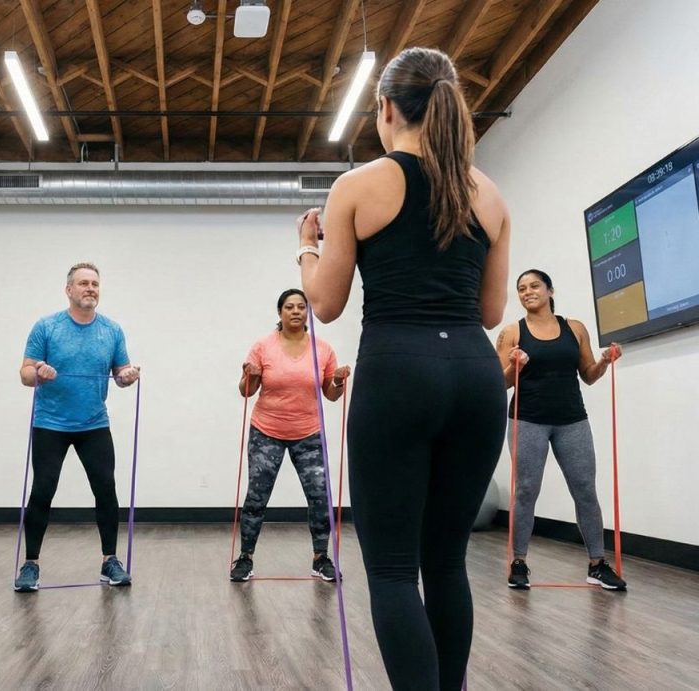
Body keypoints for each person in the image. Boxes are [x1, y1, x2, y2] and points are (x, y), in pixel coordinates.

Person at [296, 47, 511, 690]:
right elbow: (492, 309)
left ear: (387, 108)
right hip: (474, 374)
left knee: (392, 570)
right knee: (446, 564)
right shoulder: (489, 193)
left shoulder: (359, 186)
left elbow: (326, 305)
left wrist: (306, 248)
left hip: (397, 371)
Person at [496, 269, 626, 591]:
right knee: (526, 491)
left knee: (585, 491)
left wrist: (604, 361)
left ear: (550, 290)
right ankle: (519, 563)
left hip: (572, 420)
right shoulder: (512, 332)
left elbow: (588, 375)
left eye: (534, 286)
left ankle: (597, 565)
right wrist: (515, 365)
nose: (528, 292)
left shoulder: (575, 328)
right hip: (527, 419)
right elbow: (498, 382)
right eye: (522, 288)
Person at [14, 262, 140, 592]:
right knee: (43, 490)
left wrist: (127, 376)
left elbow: (121, 372)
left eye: (95, 284)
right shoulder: (47, 327)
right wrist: (38, 370)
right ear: (69, 290)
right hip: (50, 423)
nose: (90, 289)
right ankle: (30, 564)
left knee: (106, 491)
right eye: (83, 283)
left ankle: (110, 561)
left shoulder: (112, 331)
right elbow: (25, 373)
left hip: (94, 424)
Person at [231, 289, 351, 582]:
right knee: (257, 496)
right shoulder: (263, 346)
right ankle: (245, 557)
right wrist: (251, 374)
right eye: (289, 307)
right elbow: (246, 391)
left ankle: (321, 558)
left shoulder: (322, 349)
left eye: (301, 307)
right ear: (280, 312)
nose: (296, 311)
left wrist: (336, 381)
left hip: (308, 433)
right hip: (266, 431)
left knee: (320, 496)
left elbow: (331, 395)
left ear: (307, 313)